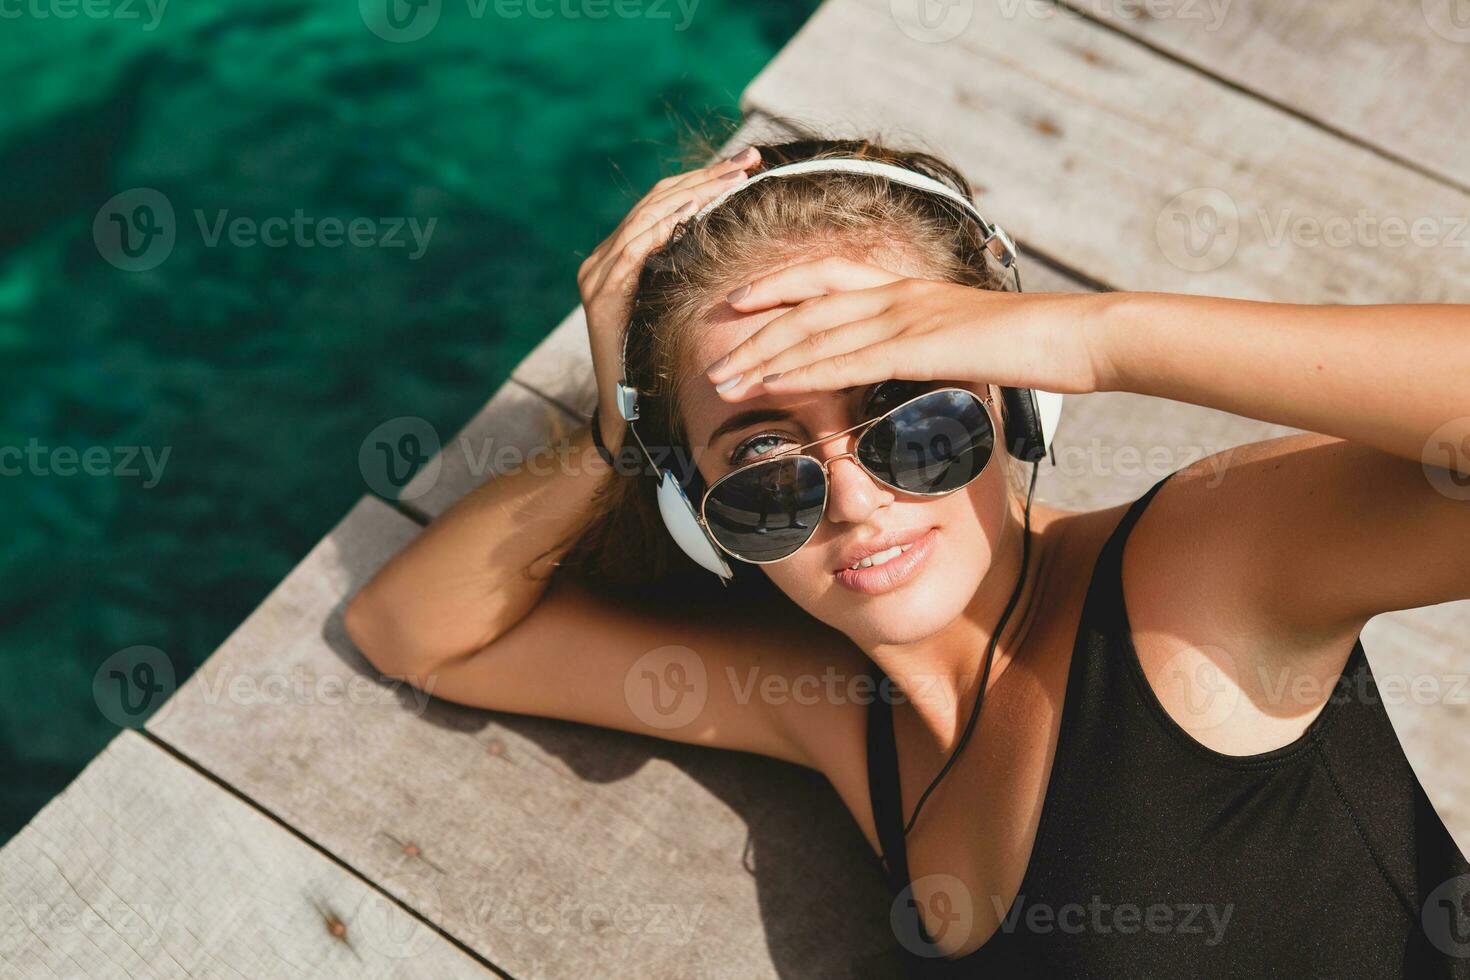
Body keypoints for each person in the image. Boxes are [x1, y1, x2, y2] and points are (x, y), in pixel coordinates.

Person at [344, 132, 1470, 976]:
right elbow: (414, 631)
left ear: (1016, 398)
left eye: (912, 417)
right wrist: (612, 433)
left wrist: (1094, 334)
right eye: (764, 464)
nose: (849, 496)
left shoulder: (1193, 572)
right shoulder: (849, 719)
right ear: (699, 512)